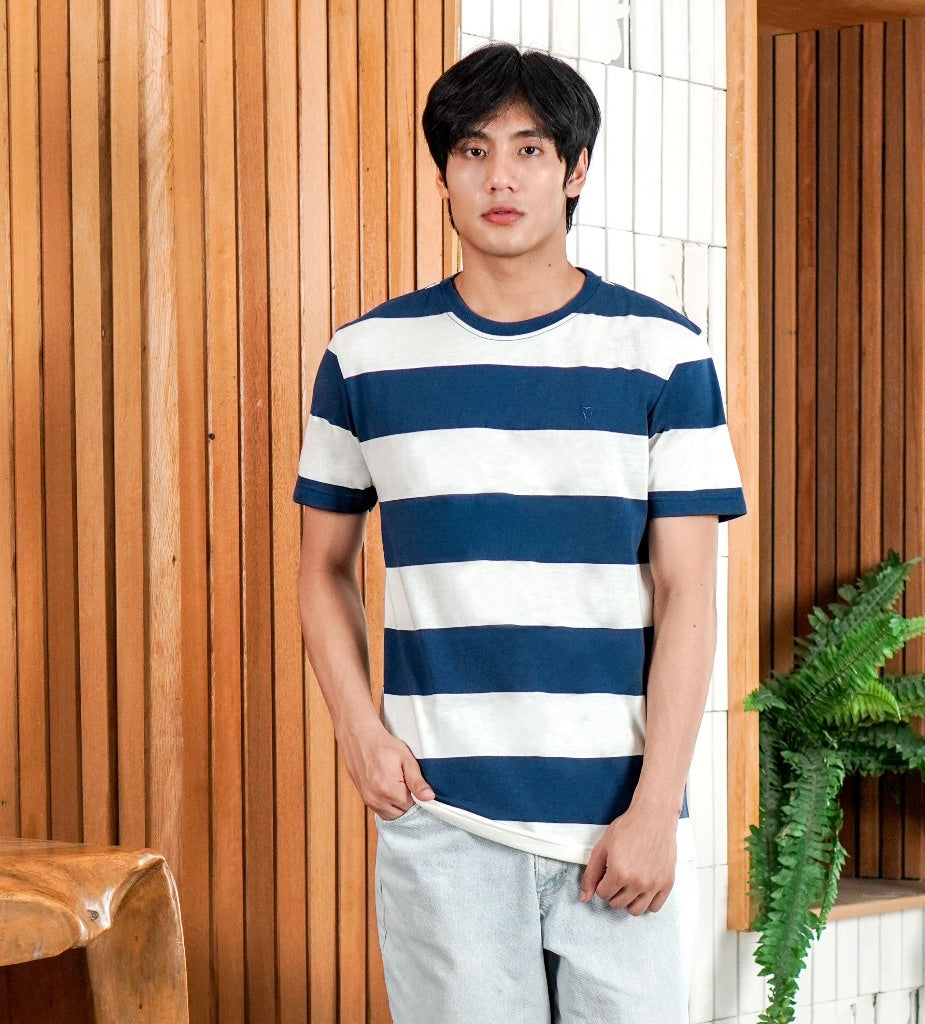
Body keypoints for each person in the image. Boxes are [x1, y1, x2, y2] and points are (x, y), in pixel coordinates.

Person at [294, 41, 747, 1024]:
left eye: (530, 149)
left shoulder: (664, 356)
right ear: (444, 174)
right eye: (473, 150)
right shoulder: (364, 360)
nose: (500, 176)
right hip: (442, 818)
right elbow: (321, 569)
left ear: (574, 170)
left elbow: (690, 595)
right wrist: (360, 733)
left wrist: (655, 808)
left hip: (615, 829)